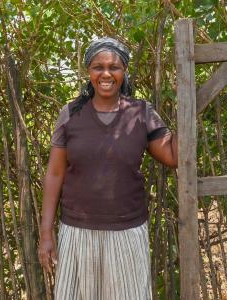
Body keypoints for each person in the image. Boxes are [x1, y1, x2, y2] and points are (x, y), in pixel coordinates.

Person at [38, 37, 177, 300]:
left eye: (113, 67)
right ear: (88, 72)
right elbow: (55, 173)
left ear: (124, 71)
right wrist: (46, 233)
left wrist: (186, 109)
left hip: (127, 231)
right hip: (78, 231)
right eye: (97, 67)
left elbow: (172, 156)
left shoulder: (141, 113)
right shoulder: (70, 114)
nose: (105, 74)